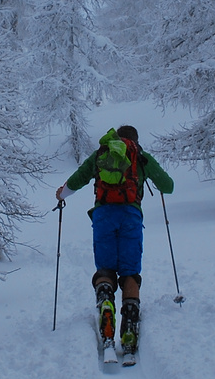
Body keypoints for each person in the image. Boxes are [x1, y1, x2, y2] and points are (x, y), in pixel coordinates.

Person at [56, 125, 173, 360]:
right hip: (130, 216)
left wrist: (61, 195)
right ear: (135, 141)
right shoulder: (140, 156)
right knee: (130, 273)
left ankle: (106, 308)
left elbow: (77, 179)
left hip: (103, 217)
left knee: (105, 270)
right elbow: (168, 186)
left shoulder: (101, 153)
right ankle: (129, 330)